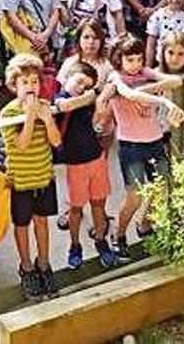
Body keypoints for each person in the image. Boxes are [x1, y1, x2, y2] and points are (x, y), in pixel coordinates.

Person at [100, 35, 184, 258]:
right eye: (130, 60)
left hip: (154, 140)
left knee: (161, 187)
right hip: (131, 145)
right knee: (135, 196)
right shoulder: (115, 78)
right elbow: (130, 94)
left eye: (138, 59)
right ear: (119, 59)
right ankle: (118, 234)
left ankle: (145, 224)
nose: (136, 64)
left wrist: (155, 84)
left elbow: (175, 81)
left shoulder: (145, 73)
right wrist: (163, 99)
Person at [0, 53, 61, 300]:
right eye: (25, 82)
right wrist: (31, 117)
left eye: (34, 82)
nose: (31, 87)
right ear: (14, 85)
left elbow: (56, 141)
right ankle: (26, 266)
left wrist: (46, 120)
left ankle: (44, 263)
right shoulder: (8, 113)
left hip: (43, 176)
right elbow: (21, 144)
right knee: (22, 225)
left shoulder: (45, 107)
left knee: (42, 222)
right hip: (21, 180)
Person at [54, 62, 117, 269]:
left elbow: (105, 92)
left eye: (86, 85)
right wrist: (88, 96)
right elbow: (64, 106)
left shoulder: (90, 97)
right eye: (79, 81)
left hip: (96, 158)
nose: (82, 87)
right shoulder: (60, 98)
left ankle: (101, 240)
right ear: (68, 77)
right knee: (76, 208)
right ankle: (74, 245)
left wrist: (94, 96)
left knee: (99, 204)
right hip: (75, 164)